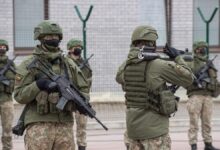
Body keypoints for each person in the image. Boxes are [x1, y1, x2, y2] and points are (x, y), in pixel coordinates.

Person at [13, 20, 89, 150]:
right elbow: (19, 96)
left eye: (56, 37)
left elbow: (84, 90)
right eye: (49, 37)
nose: (53, 39)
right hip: (39, 125)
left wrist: (80, 102)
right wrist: (38, 84)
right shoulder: (29, 64)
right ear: (40, 38)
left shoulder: (69, 64)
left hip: (64, 125)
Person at [116, 25, 194, 150]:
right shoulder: (157, 65)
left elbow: (119, 77)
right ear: (152, 43)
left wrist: (133, 55)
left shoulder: (126, 67)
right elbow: (189, 78)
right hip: (155, 134)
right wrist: (178, 58)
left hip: (133, 133)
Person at [186, 41, 220, 150]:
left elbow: (214, 78)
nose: (203, 50)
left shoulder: (208, 62)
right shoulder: (191, 62)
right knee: (194, 122)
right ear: (196, 49)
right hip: (195, 96)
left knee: (207, 121)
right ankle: (193, 145)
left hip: (208, 96)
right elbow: (189, 74)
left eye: (204, 48)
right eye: (201, 48)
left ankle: (208, 143)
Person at [67, 38, 92, 150]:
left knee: (82, 126)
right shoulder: (65, 62)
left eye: (80, 47)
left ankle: (82, 146)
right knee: (66, 126)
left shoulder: (84, 64)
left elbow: (88, 80)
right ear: (69, 49)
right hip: (67, 97)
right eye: (76, 46)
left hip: (81, 98)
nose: (78, 49)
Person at [0, 39, 15, 150]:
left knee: (7, 129)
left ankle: (7, 148)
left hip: (7, 100)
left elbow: (18, 79)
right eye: (0, 46)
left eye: (4, 46)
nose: (2, 48)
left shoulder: (11, 64)